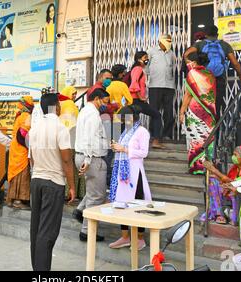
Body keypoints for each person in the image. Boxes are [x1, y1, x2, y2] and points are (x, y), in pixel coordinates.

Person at [29, 93, 76, 271]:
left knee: (36, 229)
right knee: (47, 232)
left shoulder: (35, 128)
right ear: (56, 107)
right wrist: (72, 186)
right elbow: (66, 160)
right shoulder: (60, 128)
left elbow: (31, 158)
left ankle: (37, 268)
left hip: (37, 180)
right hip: (53, 182)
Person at [108, 105, 152, 251]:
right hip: (123, 171)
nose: (122, 122)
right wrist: (117, 147)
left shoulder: (142, 132)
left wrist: (125, 149)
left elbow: (144, 152)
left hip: (135, 172)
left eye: (124, 119)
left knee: (138, 203)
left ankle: (140, 239)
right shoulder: (126, 132)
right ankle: (125, 237)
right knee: (122, 202)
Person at [184, 25, 241, 118]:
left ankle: (205, 129)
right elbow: (235, 63)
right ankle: (216, 130)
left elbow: (186, 55)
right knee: (216, 106)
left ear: (205, 34)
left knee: (203, 104)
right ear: (217, 34)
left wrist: (193, 70)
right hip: (219, 79)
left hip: (204, 79)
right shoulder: (225, 45)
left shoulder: (200, 44)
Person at [74, 89, 110, 242]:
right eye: (105, 102)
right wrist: (88, 160)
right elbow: (89, 137)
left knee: (93, 191)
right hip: (92, 158)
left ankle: (80, 210)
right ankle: (87, 232)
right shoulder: (93, 114)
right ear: (97, 99)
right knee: (97, 196)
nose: (106, 105)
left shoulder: (84, 111)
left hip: (84, 156)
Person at [202, 146, 241, 225]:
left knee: (235, 188)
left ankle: (235, 217)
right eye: (233, 154)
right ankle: (219, 214)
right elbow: (228, 181)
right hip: (232, 194)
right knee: (213, 181)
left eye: (235, 155)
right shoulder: (235, 168)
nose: (233, 157)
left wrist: (214, 170)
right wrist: (217, 177)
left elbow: (237, 183)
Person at [179, 53, 216, 175]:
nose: (189, 64)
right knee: (206, 138)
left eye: (190, 61)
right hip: (209, 112)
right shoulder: (210, 74)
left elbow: (188, 94)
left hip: (195, 111)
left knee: (195, 139)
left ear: (194, 62)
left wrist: (181, 111)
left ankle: (197, 167)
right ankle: (208, 166)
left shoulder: (192, 74)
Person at [128, 51, 164, 149]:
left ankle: (134, 143)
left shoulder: (138, 69)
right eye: (145, 57)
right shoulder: (138, 69)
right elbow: (134, 85)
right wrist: (141, 97)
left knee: (135, 121)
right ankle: (156, 140)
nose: (147, 59)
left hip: (136, 100)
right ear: (139, 59)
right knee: (157, 115)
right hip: (136, 100)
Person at [7, 96, 34, 210]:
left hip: (15, 148)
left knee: (15, 172)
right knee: (22, 173)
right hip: (21, 148)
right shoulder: (26, 116)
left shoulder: (19, 114)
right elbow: (22, 134)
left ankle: (12, 199)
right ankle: (18, 201)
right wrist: (29, 147)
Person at [148, 34, 176, 141]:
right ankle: (154, 134)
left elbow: (173, 68)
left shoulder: (171, 54)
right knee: (154, 110)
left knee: (168, 111)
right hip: (155, 86)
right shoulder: (151, 51)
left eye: (170, 41)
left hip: (169, 86)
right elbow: (146, 67)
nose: (169, 43)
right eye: (167, 41)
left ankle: (167, 134)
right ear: (160, 41)